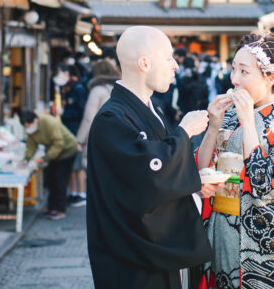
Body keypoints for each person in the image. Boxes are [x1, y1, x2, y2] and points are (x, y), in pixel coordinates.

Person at [85, 25, 214, 288]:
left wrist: (195, 184)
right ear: (144, 63)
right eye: (168, 58)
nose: (175, 66)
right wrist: (184, 132)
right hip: (130, 258)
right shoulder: (111, 118)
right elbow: (145, 178)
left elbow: (159, 172)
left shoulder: (150, 109)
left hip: (152, 251)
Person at [196, 33, 274, 288]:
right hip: (220, 226)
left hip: (262, 237)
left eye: (244, 71)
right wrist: (213, 126)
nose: (234, 79)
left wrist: (248, 121)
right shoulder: (228, 117)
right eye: (233, 69)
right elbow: (201, 170)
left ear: (271, 77)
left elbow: (266, 184)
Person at [75, 57, 121, 201]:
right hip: (118, 136)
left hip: (99, 136)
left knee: (95, 172)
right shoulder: (120, 88)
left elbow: (89, 117)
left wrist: (79, 139)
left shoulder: (97, 90)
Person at [20, 108, 78, 220]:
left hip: (67, 151)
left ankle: (60, 210)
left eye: (28, 125)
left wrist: (46, 158)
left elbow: (59, 143)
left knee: (60, 180)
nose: (28, 129)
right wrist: (26, 158)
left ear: (35, 121)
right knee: (50, 180)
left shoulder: (49, 122)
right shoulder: (31, 131)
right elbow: (31, 145)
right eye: (25, 127)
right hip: (53, 153)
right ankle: (51, 208)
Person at [61, 64, 89, 206]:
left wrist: (63, 113)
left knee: (77, 165)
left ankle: (81, 194)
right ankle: (73, 193)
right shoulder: (68, 89)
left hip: (75, 131)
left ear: (67, 73)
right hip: (70, 130)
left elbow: (81, 111)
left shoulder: (78, 89)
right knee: (72, 165)